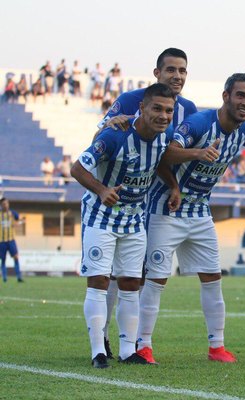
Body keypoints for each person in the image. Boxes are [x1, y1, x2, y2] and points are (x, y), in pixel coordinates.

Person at [136, 72, 245, 364]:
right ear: (226, 96)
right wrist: (197, 154)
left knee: (213, 279)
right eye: (241, 95)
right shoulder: (199, 123)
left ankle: (216, 347)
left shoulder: (244, 132)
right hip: (166, 210)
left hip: (199, 213)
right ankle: (143, 345)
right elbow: (165, 153)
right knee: (156, 279)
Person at [96, 48, 198, 359]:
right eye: (170, 69)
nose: (176, 75)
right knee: (114, 274)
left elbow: (171, 152)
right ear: (157, 73)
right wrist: (116, 121)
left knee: (136, 274)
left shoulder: (189, 108)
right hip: (119, 199)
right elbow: (102, 133)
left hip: (155, 202)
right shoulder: (130, 99)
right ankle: (102, 338)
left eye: (181, 70)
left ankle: (134, 342)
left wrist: (176, 184)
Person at [71, 83, 182, 369]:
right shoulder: (116, 134)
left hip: (134, 219)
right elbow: (77, 167)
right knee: (99, 280)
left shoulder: (164, 136)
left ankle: (126, 350)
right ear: (142, 109)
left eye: (168, 110)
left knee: (132, 284)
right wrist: (101, 189)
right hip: (101, 217)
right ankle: (98, 351)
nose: (163, 115)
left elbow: (158, 163)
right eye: (156, 109)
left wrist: (174, 186)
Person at [0, 197, 25, 283]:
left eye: (7, 204)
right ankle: (4, 278)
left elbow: (19, 220)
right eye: (4, 204)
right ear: (1, 205)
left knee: (16, 257)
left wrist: (21, 221)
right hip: (1, 241)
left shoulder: (13, 213)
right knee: (2, 259)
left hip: (11, 240)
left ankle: (19, 277)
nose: (6, 205)